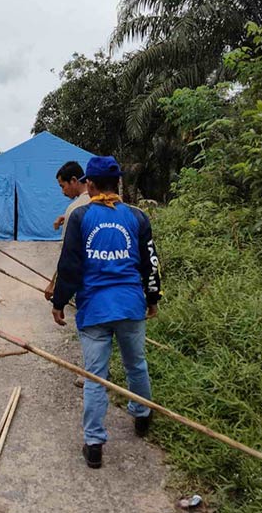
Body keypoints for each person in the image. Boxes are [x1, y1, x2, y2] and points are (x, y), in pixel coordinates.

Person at [51, 156, 161, 469]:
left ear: (90, 184)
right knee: (136, 365)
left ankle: (95, 444)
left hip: (95, 308)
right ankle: (141, 417)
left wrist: (58, 302)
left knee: (95, 376)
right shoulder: (137, 217)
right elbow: (149, 263)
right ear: (117, 184)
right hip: (129, 305)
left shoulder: (81, 216)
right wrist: (152, 297)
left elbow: (70, 265)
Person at [44, 161, 91, 301]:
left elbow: (67, 254)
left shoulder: (75, 209)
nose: (62, 192)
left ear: (74, 180)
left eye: (62, 186)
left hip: (85, 281)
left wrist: (54, 285)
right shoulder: (103, 202)